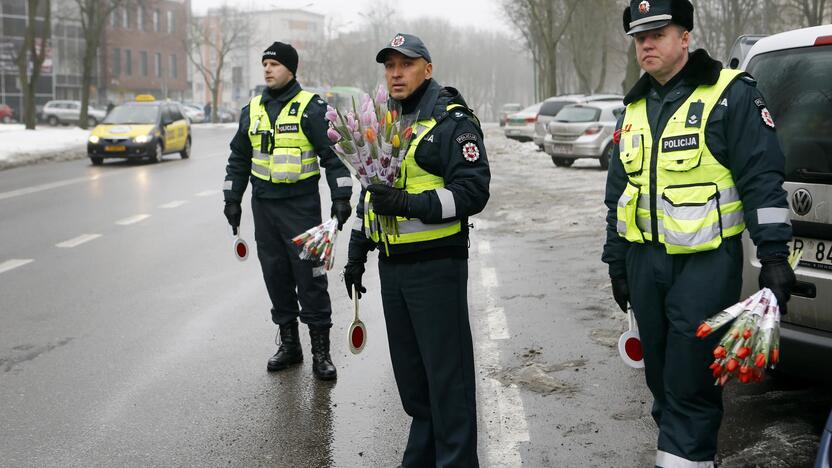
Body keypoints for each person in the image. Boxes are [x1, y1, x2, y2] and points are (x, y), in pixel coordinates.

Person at [602, 1, 795, 466]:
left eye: (658, 34)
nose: (646, 44)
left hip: (705, 267)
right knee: (661, 382)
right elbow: (617, 195)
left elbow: (762, 180)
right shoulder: (632, 109)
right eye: (639, 38)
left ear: (685, 37)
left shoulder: (731, 95)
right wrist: (616, 262)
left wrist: (773, 257)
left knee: (690, 385)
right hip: (644, 265)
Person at [343, 33, 490, 467]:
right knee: (414, 385)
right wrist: (357, 248)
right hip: (395, 271)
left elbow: (472, 192)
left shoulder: (450, 120)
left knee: (448, 385)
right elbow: (370, 194)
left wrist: (411, 205)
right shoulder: (387, 119)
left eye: (405, 64)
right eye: (389, 66)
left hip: (437, 269)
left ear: (427, 67)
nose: (395, 73)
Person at [223, 42, 353, 381]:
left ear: (291, 69)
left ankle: (321, 352)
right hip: (264, 208)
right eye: (264, 63)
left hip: (301, 207)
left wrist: (341, 197)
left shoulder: (311, 107)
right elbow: (239, 158)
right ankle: (290, 345)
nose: (267, 69)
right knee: (276, 276)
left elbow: (332, 155)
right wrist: (232, 199)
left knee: (310, 279)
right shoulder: (251, 109)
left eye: (275, 64)